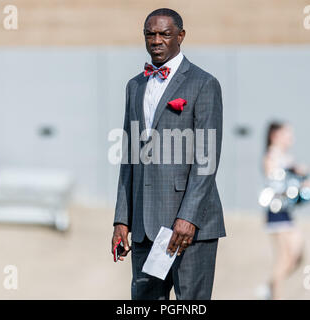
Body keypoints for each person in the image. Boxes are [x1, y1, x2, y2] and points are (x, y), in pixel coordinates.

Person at [111, 8, 225, 300]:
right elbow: (129, 158)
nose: (157, 40)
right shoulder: (134, 86)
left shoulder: (204, 84)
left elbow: (206, 159)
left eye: (165, 34)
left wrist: (188, 217)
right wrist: (121, 220)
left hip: (191, 227)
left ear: (181, 36)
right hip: (144, 227)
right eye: (151, 34)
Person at [262, 122, 308, 299]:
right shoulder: (271, 156)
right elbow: (275, 182)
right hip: (276, 213)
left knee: (297, 254)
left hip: (287, 213)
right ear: (275, 135)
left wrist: (303, 180)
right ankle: (275, 294)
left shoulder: (286, 157)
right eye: (287, 134)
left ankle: (270, 286)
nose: (291, 138)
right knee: (284, 258)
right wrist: (295, 178)